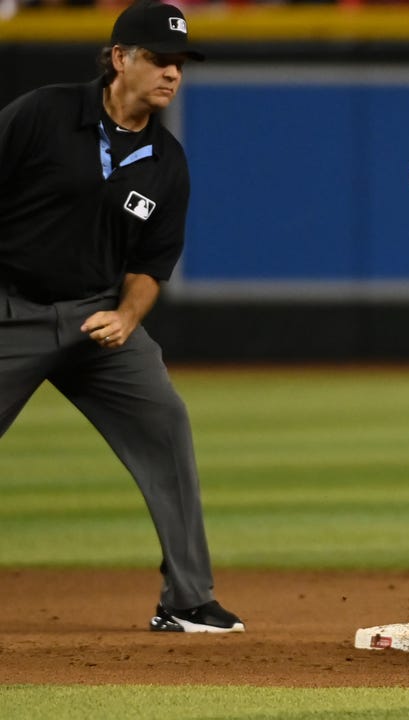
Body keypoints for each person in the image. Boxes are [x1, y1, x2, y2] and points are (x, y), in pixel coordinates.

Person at [0, 1, 243, 633]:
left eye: (180, 64)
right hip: (12, 309)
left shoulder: (167, 163)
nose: (172, 75)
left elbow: (150, 268)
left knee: (165, 423)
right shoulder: (43, 114)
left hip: (96, 319)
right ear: (119, 59)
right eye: (159, 60)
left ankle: (187, 600)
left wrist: (128, 319)